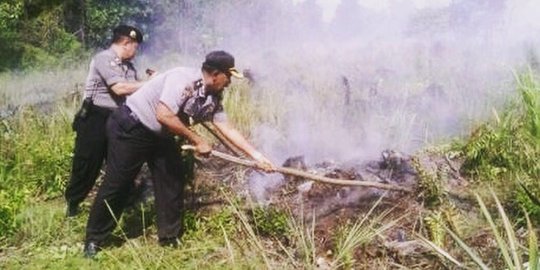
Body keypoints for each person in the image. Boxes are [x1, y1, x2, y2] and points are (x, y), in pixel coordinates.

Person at [83, 50, 275, 257]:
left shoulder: (213, 97)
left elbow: (227, 128)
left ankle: (169, 237)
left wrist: (256, 156)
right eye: (228, 77)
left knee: (171, 179)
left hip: (162, 134)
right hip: (132, 127)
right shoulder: (183, 80)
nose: (229, 83)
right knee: (118, 182)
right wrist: (198, 140)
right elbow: (164, 114)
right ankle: (94, 239)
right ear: (215, 74)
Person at [65, 25, 148, 217]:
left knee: (120, 163)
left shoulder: (128, 66)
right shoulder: (104, 59)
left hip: (119, 118)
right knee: (87, 163)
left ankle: (123, 203)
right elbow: (119, 88)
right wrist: (148, 84)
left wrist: (148, 82)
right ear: (126, 43)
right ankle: (73, 204)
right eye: (135, 47)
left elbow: (134, 88)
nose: (136, 51)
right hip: (96, 117)